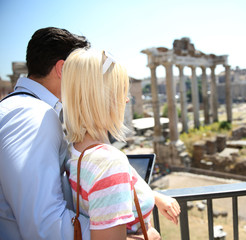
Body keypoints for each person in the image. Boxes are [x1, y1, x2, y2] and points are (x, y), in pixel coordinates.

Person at [61, 48, 180, 239]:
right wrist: (151, 237)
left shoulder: (73, 150)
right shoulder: (109, 161)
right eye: (121, 92)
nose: (126, 99)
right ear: (101, 100)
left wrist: (155, 197)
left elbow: (102, 195)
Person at [0, 27, 91, 239]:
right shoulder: (34, 115)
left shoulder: (17, 107)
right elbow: (45, 225)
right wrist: (115, 234)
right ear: (62, 69)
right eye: (81, 70)